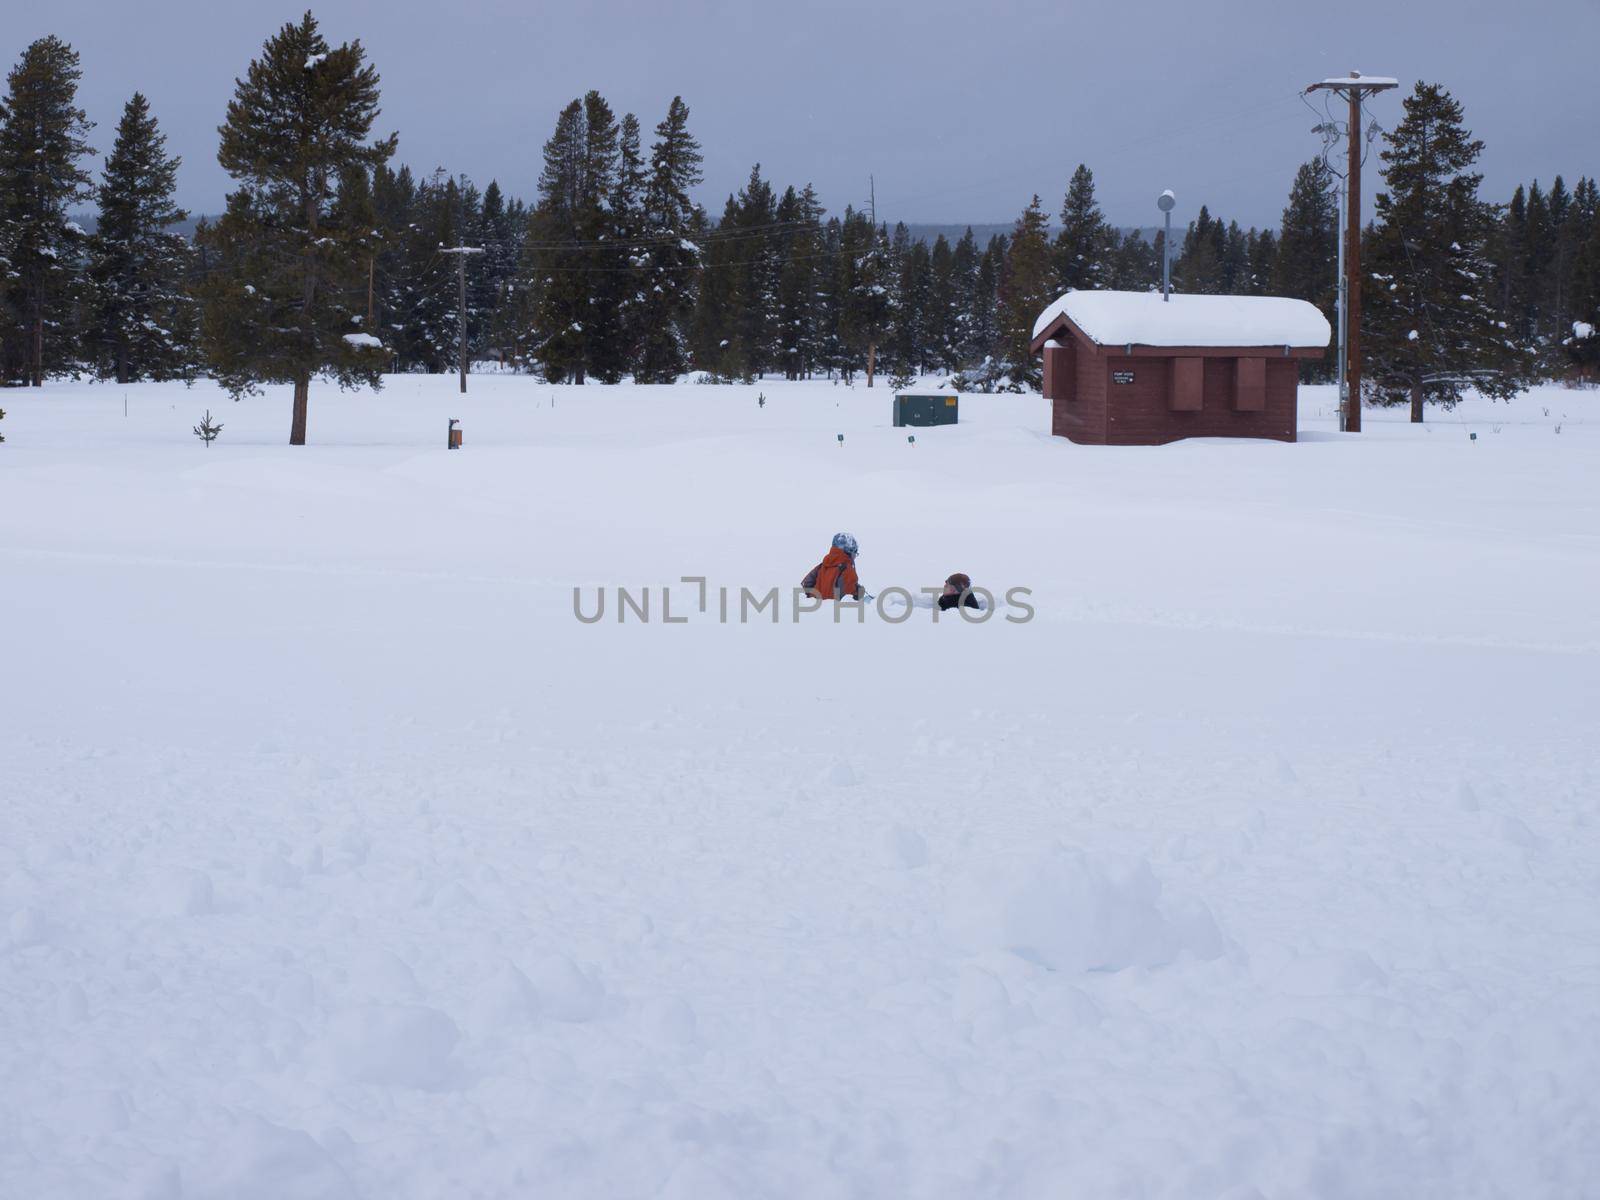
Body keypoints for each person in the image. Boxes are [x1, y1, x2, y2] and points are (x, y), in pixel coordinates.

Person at [802, 532, 864, 601]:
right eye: (855, 552)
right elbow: (849, 597)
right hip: (833, 610)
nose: (855, 556)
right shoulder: (847, 569)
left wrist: (814, 598)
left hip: (816, 609)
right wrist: (859, 592)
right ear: (849, 551)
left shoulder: (823, 565)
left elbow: (806, 584)